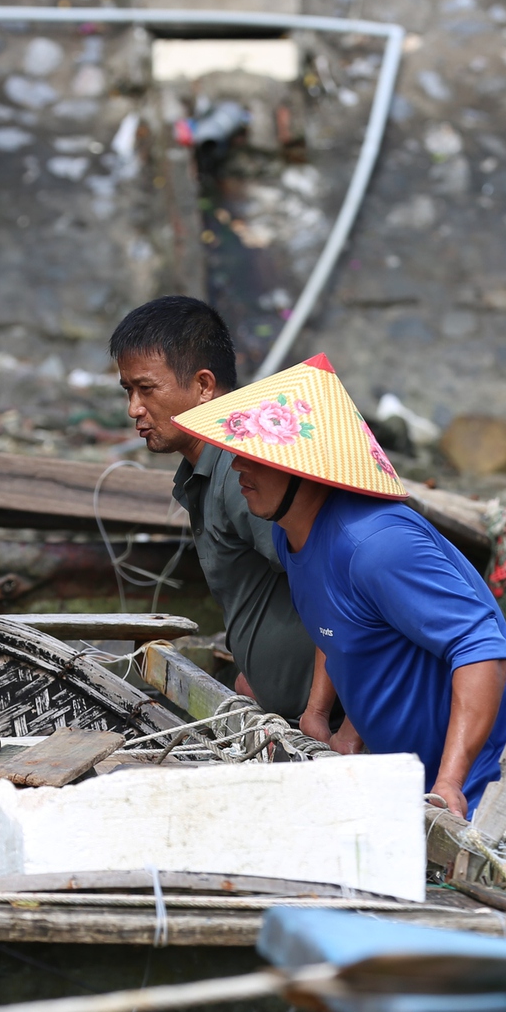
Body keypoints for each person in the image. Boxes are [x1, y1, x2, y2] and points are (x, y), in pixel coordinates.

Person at [171, 353, 506, 862]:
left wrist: (450, 781)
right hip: (428, 779)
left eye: (257, 457)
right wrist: (327, 719)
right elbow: (340, 630)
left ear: (306, 469)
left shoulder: (376, 545)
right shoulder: (295, 540)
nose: (238, 466)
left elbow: (481, 648)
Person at [112, 295, 315, 719]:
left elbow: (339, 590)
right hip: (276, 709)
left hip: (320, 724)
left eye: (146, 389)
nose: (134, 409)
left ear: (204, 386)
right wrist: (251, 674)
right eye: (128, 391)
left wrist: (322, 712)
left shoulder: (247, 473)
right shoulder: (205, 470)